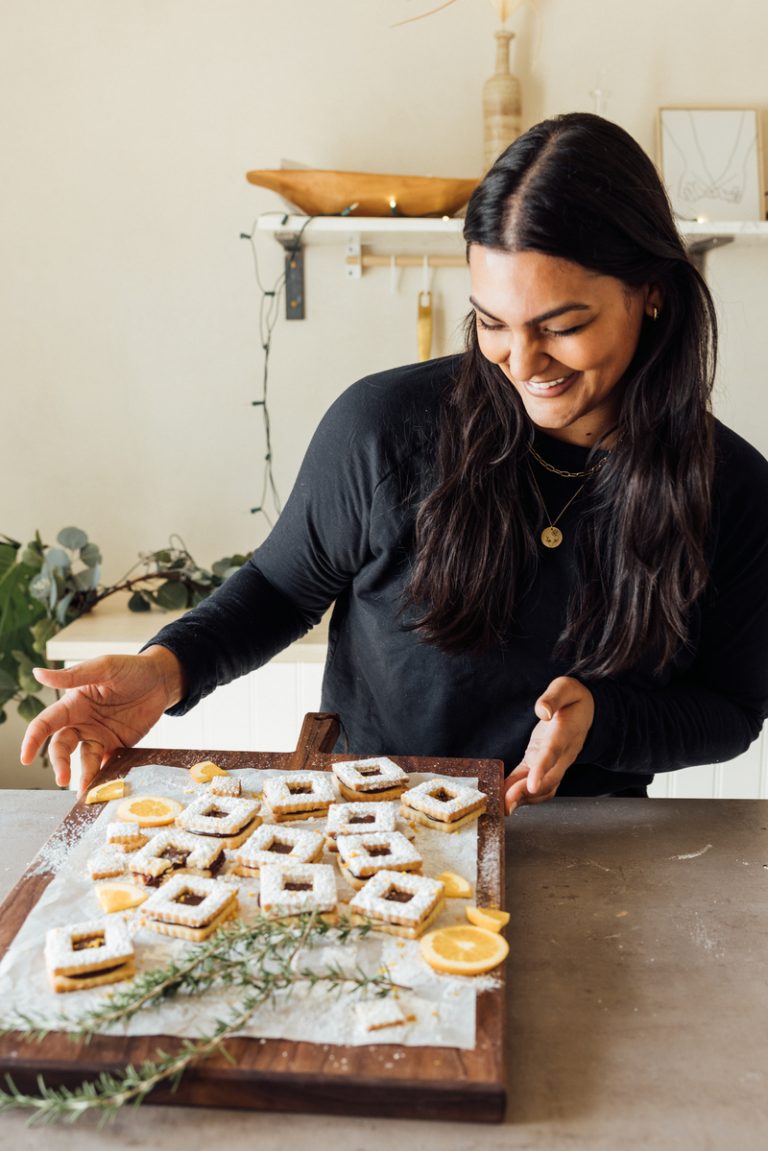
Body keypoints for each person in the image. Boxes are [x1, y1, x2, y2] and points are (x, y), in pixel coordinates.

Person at [21, 112, 768, 813]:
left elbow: (731, 712)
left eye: (564, 326)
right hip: (372, 832)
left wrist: (606, 719)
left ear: (653, 296)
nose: (524, 359)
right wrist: (162, 672)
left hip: (593, 854)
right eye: (492, 322)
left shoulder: (732, 489)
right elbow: (280, 589)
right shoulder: (384, 429)